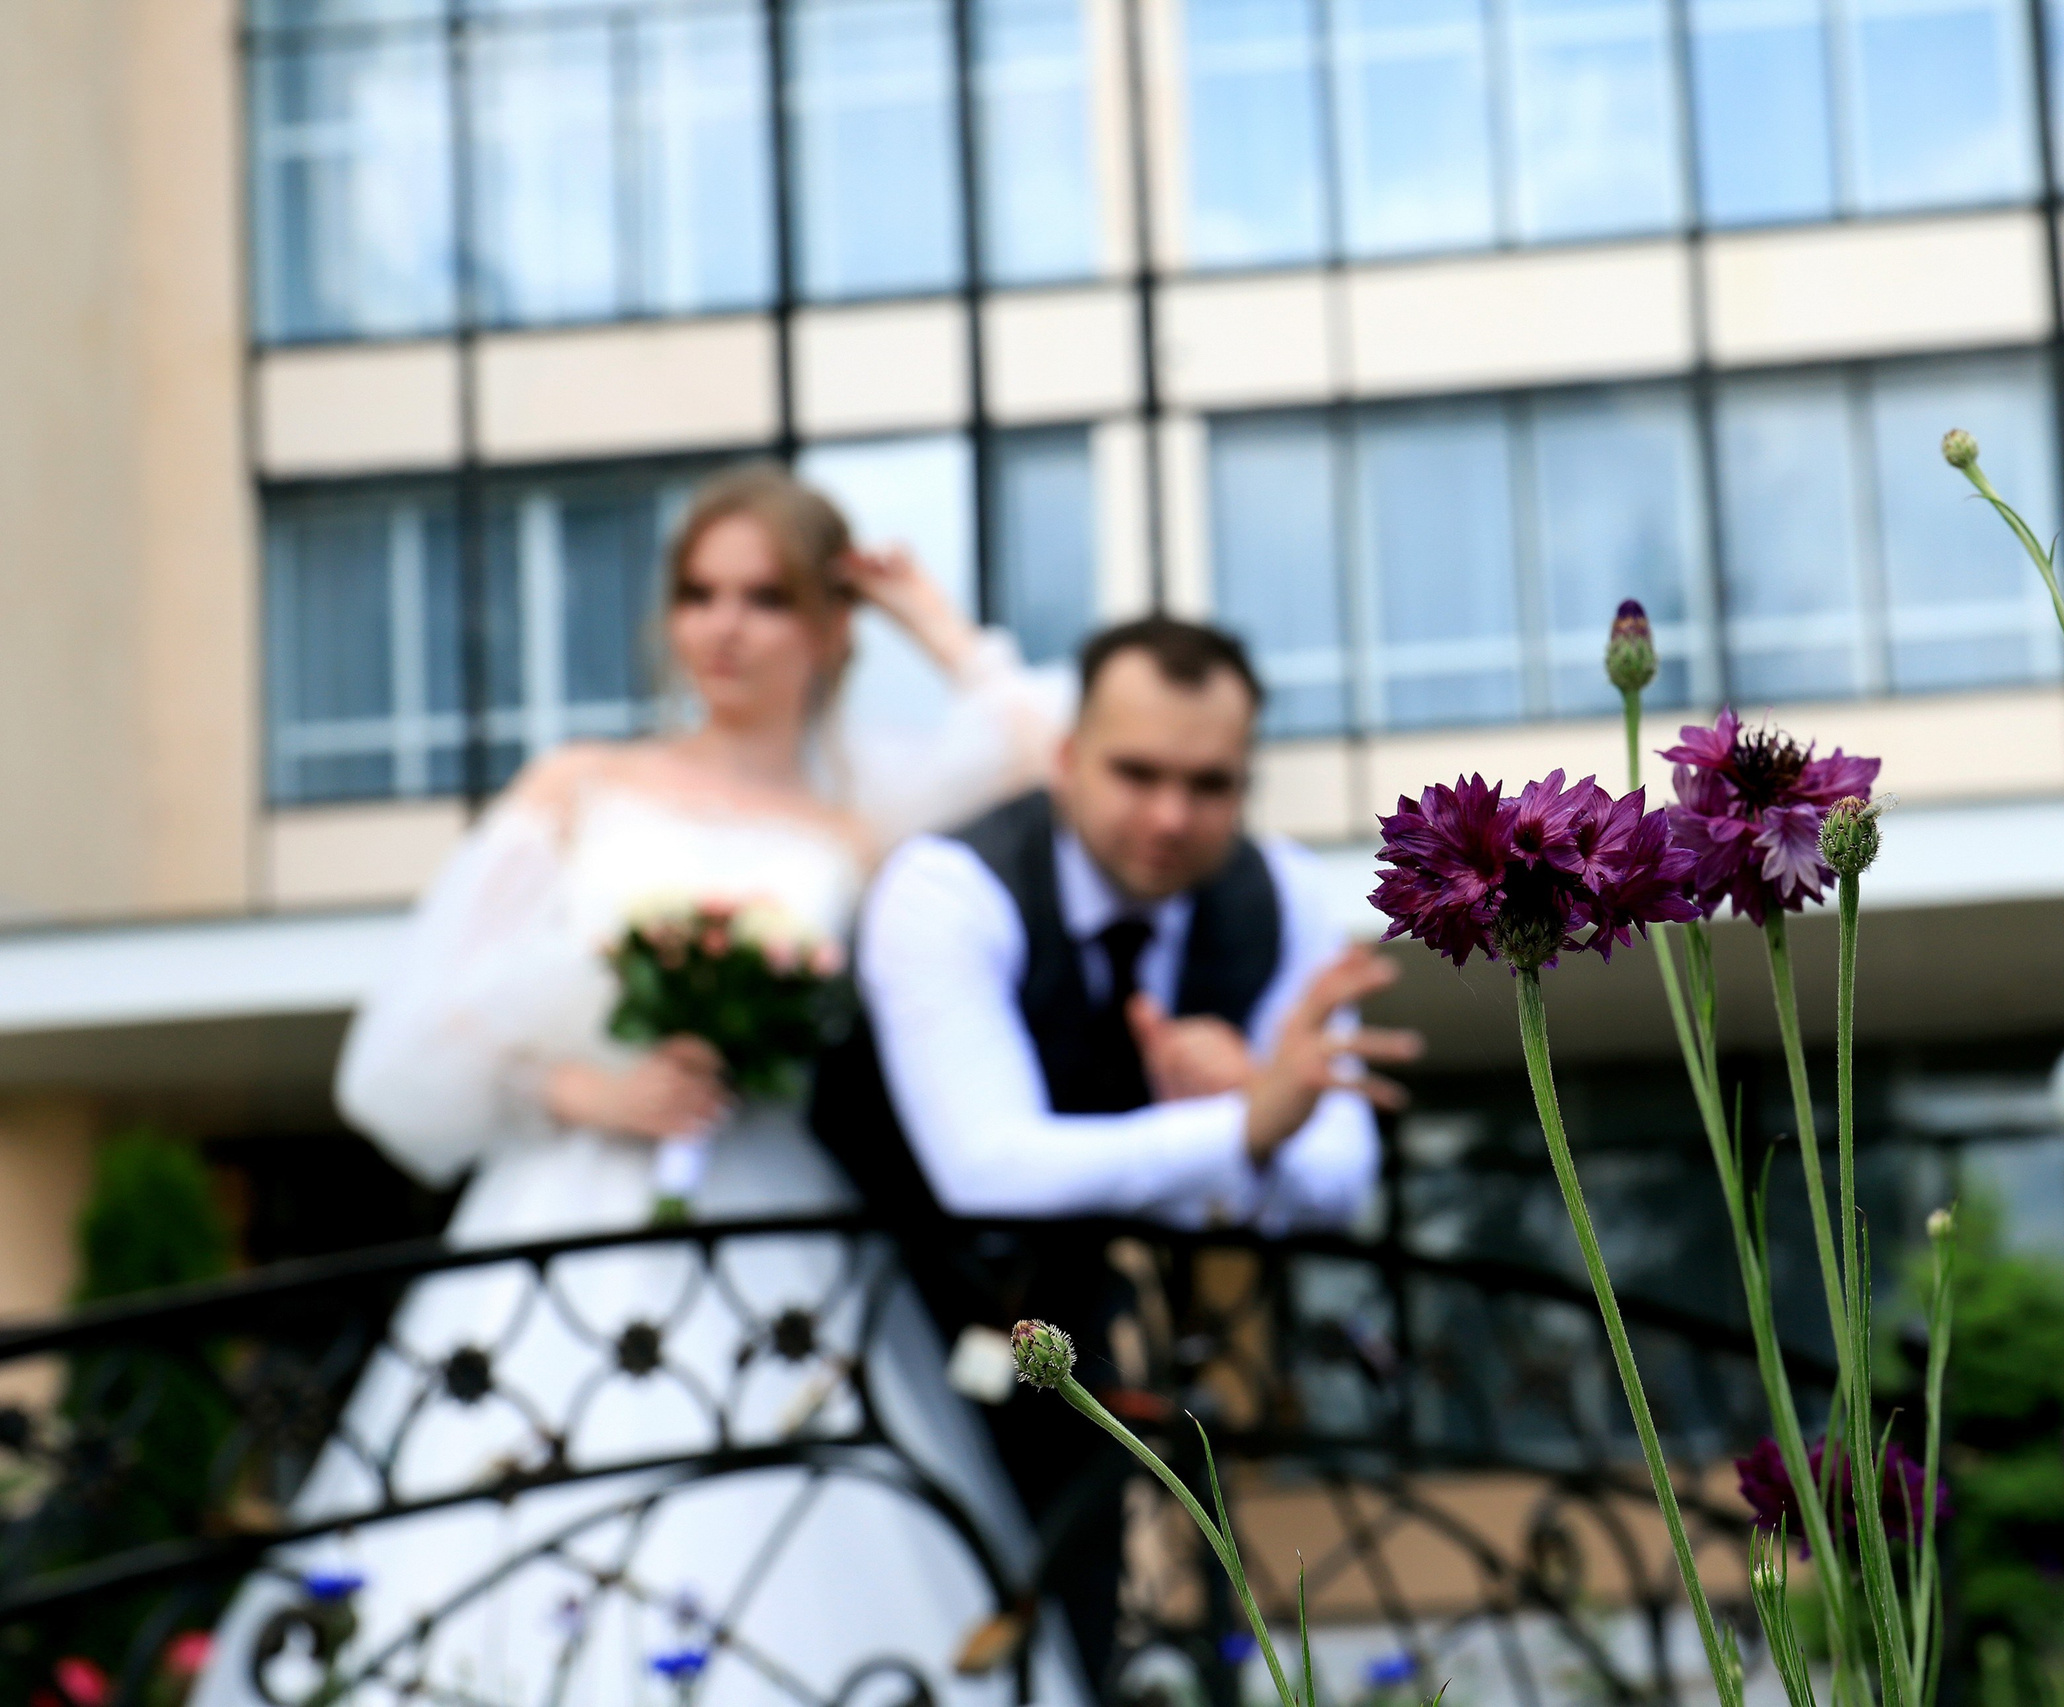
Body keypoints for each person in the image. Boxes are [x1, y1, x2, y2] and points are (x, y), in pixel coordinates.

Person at [191, 465, 1080, 1707]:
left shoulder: (866, 816)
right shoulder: (581, 786)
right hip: (565, 1211)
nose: (723, 626)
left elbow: (1056, 760)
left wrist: (926, 616)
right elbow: (411, 1039)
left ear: (827, 629)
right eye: (697, 593)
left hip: (772, 1216)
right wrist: (581, 1092)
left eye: (765, 597)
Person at [823, 617, 1422, 1693]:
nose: (1168, 815)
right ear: (1063, 758)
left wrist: (1252, 1095)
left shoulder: (1281, 894)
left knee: (1077, 1638)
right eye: (1135, 772)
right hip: (874, 1319)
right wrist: (1239, 1129)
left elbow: (1338, 1180)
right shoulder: (947, 888)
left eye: (1209, 784)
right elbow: (983, 1165)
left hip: (1076, 1349)